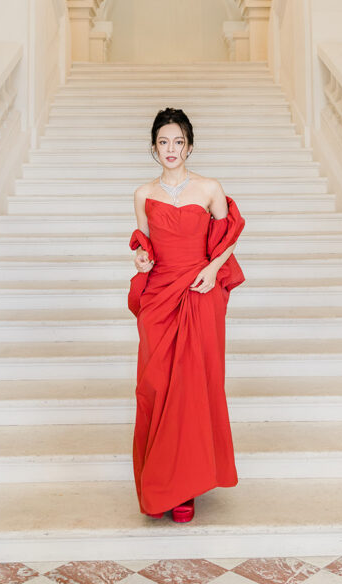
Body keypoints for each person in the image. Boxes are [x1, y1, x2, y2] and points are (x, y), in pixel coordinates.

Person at [128, 106, 245, 523]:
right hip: (159, 298)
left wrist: (212, 271)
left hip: (199, 293)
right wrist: (142, 261)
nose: (171, 149)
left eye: (178, 141)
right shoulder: (144, 194)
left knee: (193, 389)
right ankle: (159, 480)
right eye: (163, 142)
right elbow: (146, 247)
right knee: (156, 387)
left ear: (190, 146)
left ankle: (185, 489)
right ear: (154, 148)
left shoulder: (209, 188)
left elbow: (227, 237)